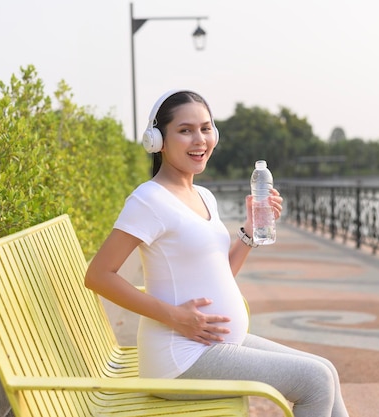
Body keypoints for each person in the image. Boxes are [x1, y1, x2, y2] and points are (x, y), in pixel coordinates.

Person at [84, 89, 350, 417]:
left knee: (325, 369)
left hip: (213, 346)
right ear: (157, 140)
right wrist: (175, 316)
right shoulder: (148, 200)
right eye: (185, 130)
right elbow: (98, 275)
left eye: (206, 128)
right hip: (179, 358)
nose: (199, 140)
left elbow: (219, 272)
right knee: (313, 380)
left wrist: (250, 231)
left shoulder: (204, 196)